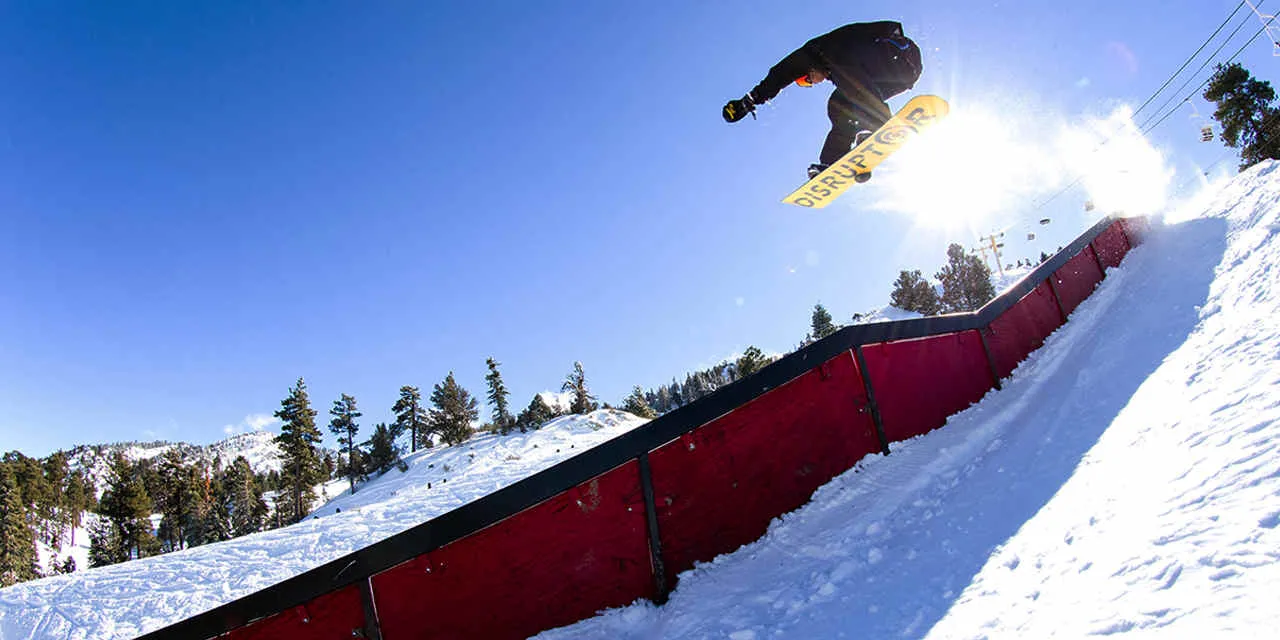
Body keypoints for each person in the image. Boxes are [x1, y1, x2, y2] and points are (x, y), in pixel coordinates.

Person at [722, 21, 923, 179]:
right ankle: (834, 160)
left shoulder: (817, 51)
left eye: (807, 80)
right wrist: (862, 161)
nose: (813, 83)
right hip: (896, 76)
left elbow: (780, 74)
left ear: (807, 69)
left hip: (899, 55)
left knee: (843, 71)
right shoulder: (835, 65)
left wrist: (748, 101)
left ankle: (876, 123)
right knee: (838, 103)